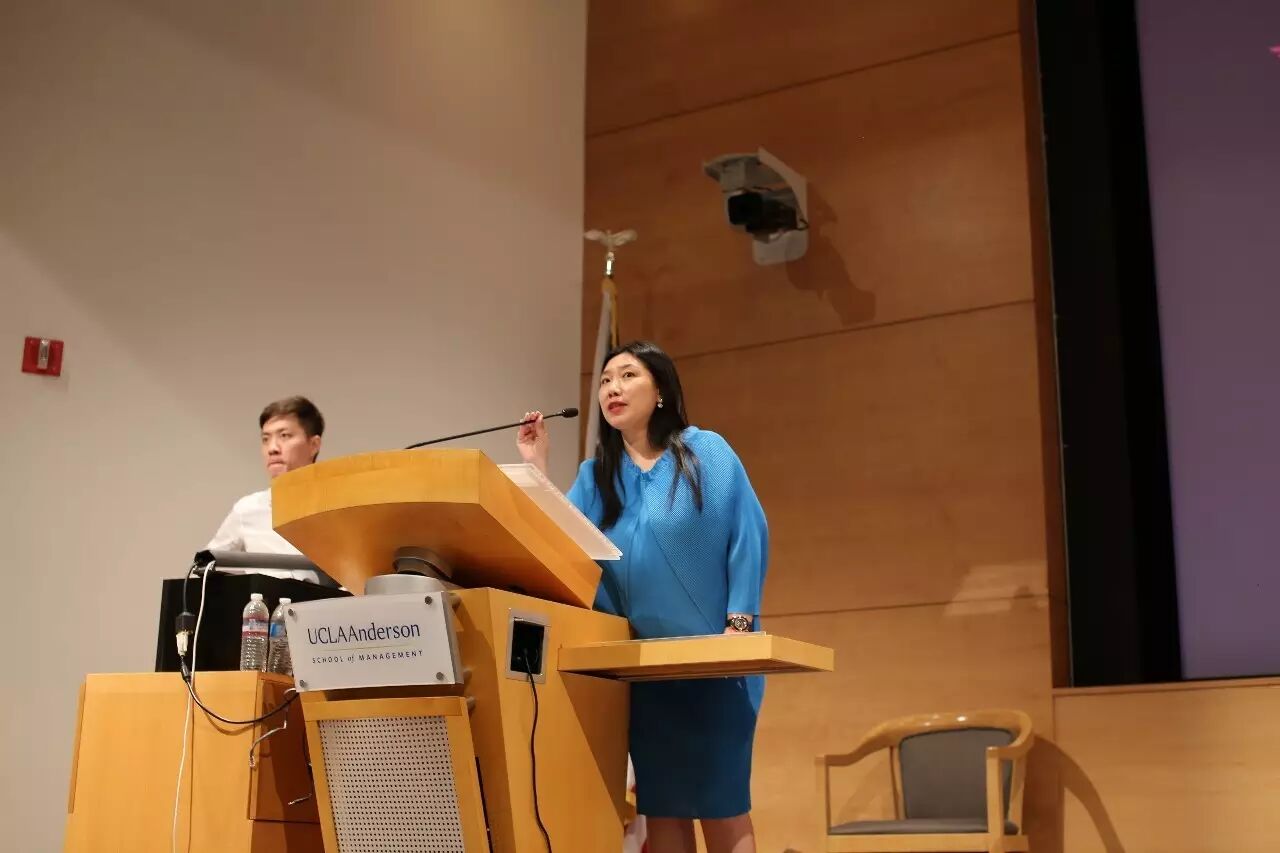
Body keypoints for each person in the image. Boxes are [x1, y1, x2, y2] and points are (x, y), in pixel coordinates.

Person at [517, 340, 767, 853]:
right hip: (643, 670)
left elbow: (748, 532)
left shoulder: (706, 451)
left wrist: (739, 624)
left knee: (722, 804)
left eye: (628, 375)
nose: (613, 387)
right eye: (606, 380)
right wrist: (536, 466)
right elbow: (560, 544)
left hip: (716, 662)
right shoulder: (596, 476)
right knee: (663, 805)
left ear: (660, 391)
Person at [206, 395, 326, 583]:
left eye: (284, 436)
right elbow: (205, 567)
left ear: (314, 445)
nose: (272, 448)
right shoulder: (248, 509)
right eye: (265, 439)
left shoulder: (338, 508)